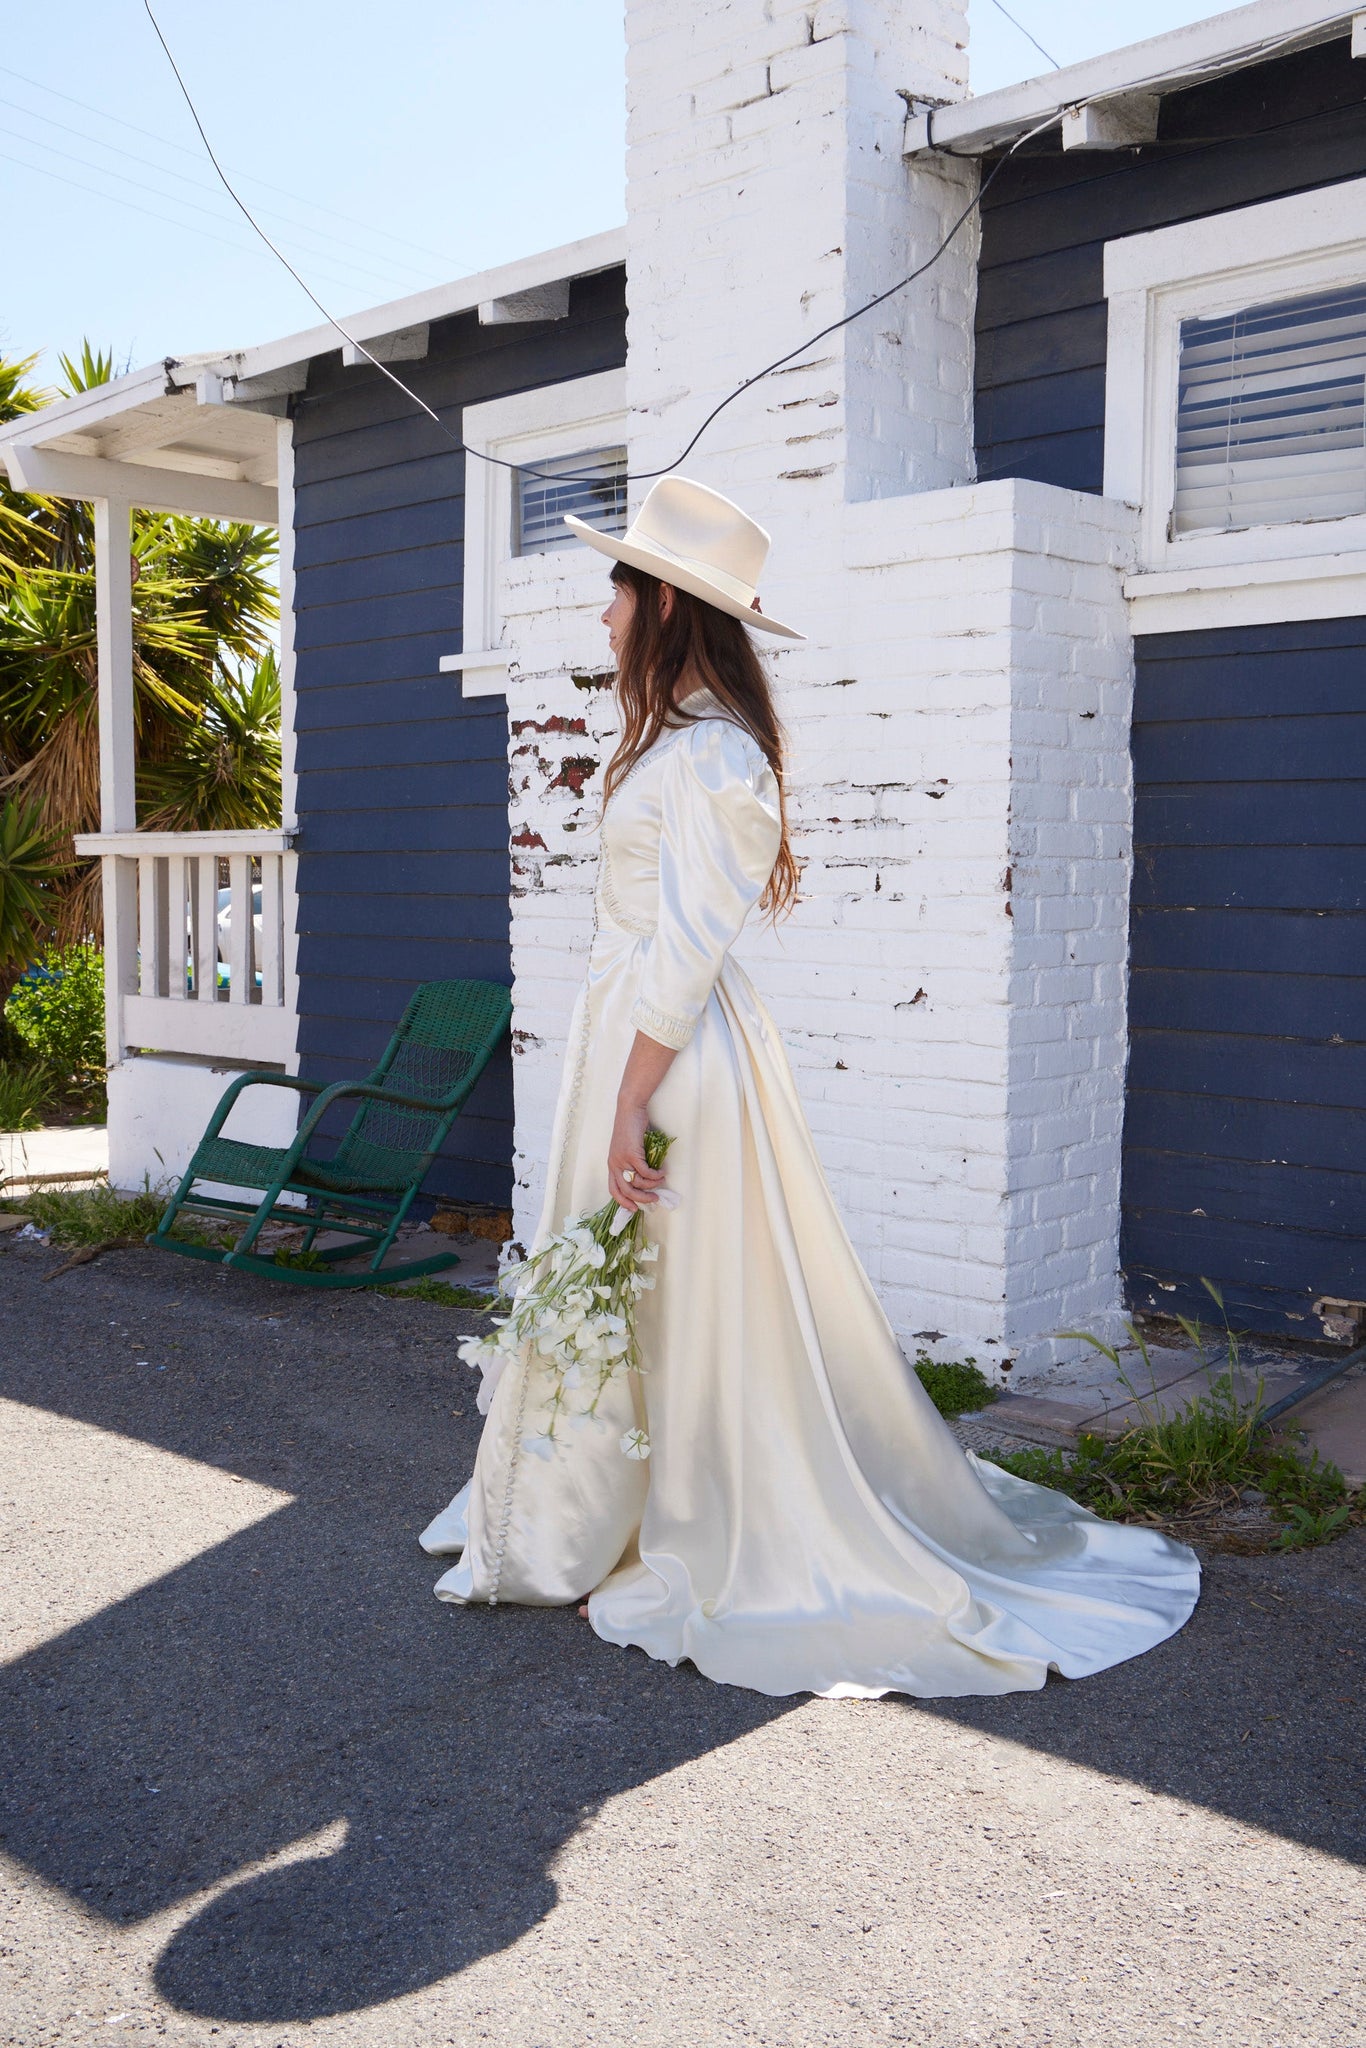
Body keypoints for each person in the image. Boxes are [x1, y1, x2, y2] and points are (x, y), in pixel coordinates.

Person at [420, 475, 1199, 1700]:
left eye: (620, 586)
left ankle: (697, 1518)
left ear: (666, 599)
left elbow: (684, 949)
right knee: (628, 1287)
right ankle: (598, 1508)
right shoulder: (672, 741)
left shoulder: (719, 755)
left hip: (670, 1064)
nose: (606, 611)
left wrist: (631, 1098)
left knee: (678, 1290)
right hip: (631, 1047)